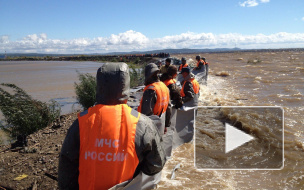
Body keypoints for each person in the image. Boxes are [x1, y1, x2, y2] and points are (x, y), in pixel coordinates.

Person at [58, 63, 166, 190]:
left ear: (99, 86)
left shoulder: (80, 123)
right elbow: (155, 166)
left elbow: (67, 169)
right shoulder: (143, 124)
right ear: (126, 86)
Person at [138, 63, 171, 134]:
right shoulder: (164, 86)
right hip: (160, 125)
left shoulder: (150, 90)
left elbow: (146, 114)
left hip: (150, 128)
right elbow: (168, 108)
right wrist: (166, 125)